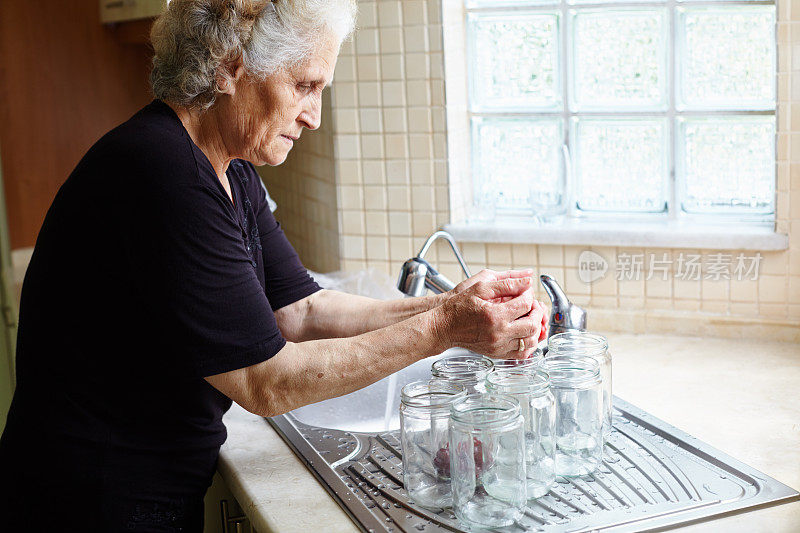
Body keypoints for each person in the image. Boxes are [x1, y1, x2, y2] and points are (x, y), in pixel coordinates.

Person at [0, 0, 547, 530]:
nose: (312, 116)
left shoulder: (228, 170)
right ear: (230, 66)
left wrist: (453, 306)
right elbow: (266, 382)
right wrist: (448, 327)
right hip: (89, 503)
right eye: (304, 86)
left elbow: (301, 310)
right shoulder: (163, 173)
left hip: (137, 492)